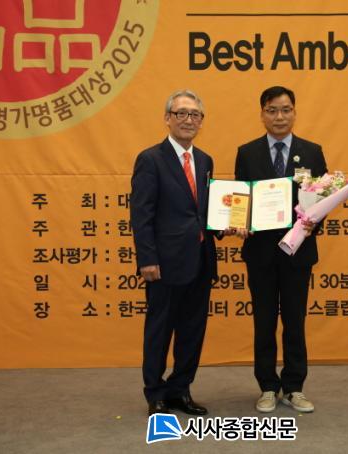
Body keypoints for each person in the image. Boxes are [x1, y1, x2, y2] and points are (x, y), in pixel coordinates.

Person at [234, 86, 327, 413]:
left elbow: (321, 198)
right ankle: (267, 387)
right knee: (263, 322)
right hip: (260, 252)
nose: (279, 116)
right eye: (272, 110)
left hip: (297, 252)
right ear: (262, 114)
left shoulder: (312, 152)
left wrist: (314, 221)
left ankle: (294, 387)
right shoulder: (247, 153)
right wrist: (239, 220)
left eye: (286, 110)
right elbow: (241, 199)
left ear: (294, 113)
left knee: (294, 320)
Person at [130, 89, 217, 416]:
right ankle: (155, 393)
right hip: (164, 264)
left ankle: (180, 389)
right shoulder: (150, 159)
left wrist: (229, 224)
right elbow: (141, 214)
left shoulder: (205, 160)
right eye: (181, 113)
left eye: (194, 114)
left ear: (201, 121)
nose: (188, 120)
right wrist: (147, 259)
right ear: (168, 118)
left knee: (192, 331)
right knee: (159, 330)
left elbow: (204, 212)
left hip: (201, 260)